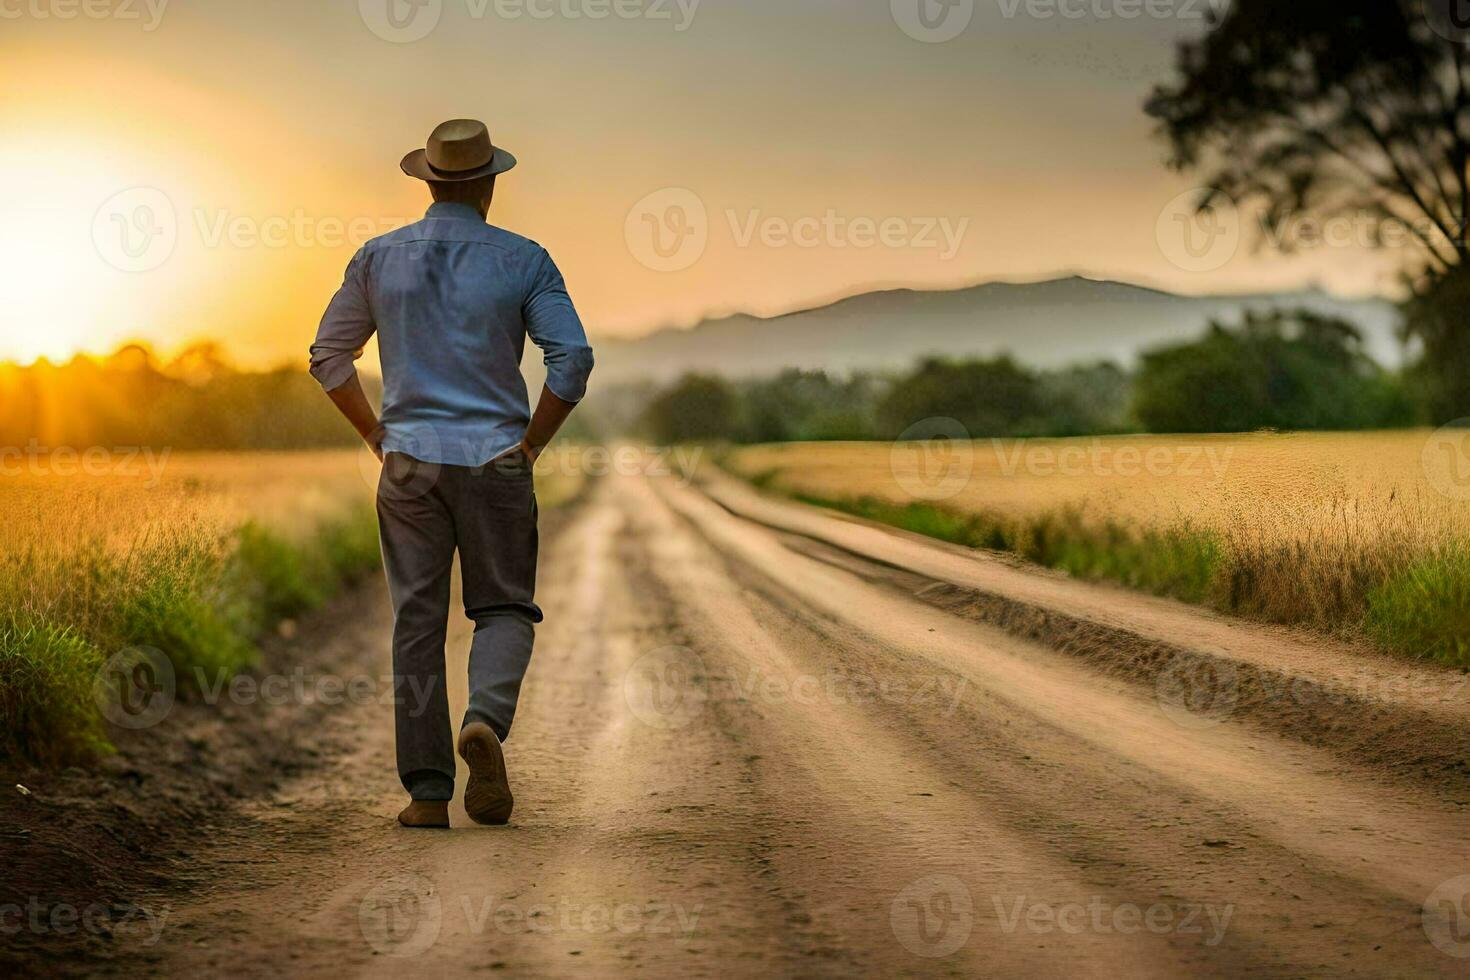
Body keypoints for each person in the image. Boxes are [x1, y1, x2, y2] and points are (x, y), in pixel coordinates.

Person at [309, 119, 593, 829]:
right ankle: (486, 724)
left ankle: (427, 795)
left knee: (416, 624)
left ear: (430, 180)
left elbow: (328, 356)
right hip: (496, 461)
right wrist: (529, 447)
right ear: (489, 184)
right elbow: (574, 360)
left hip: (409, 465)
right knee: (502, 608)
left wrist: (378, 435)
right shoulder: (525, 260)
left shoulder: (379, 259)